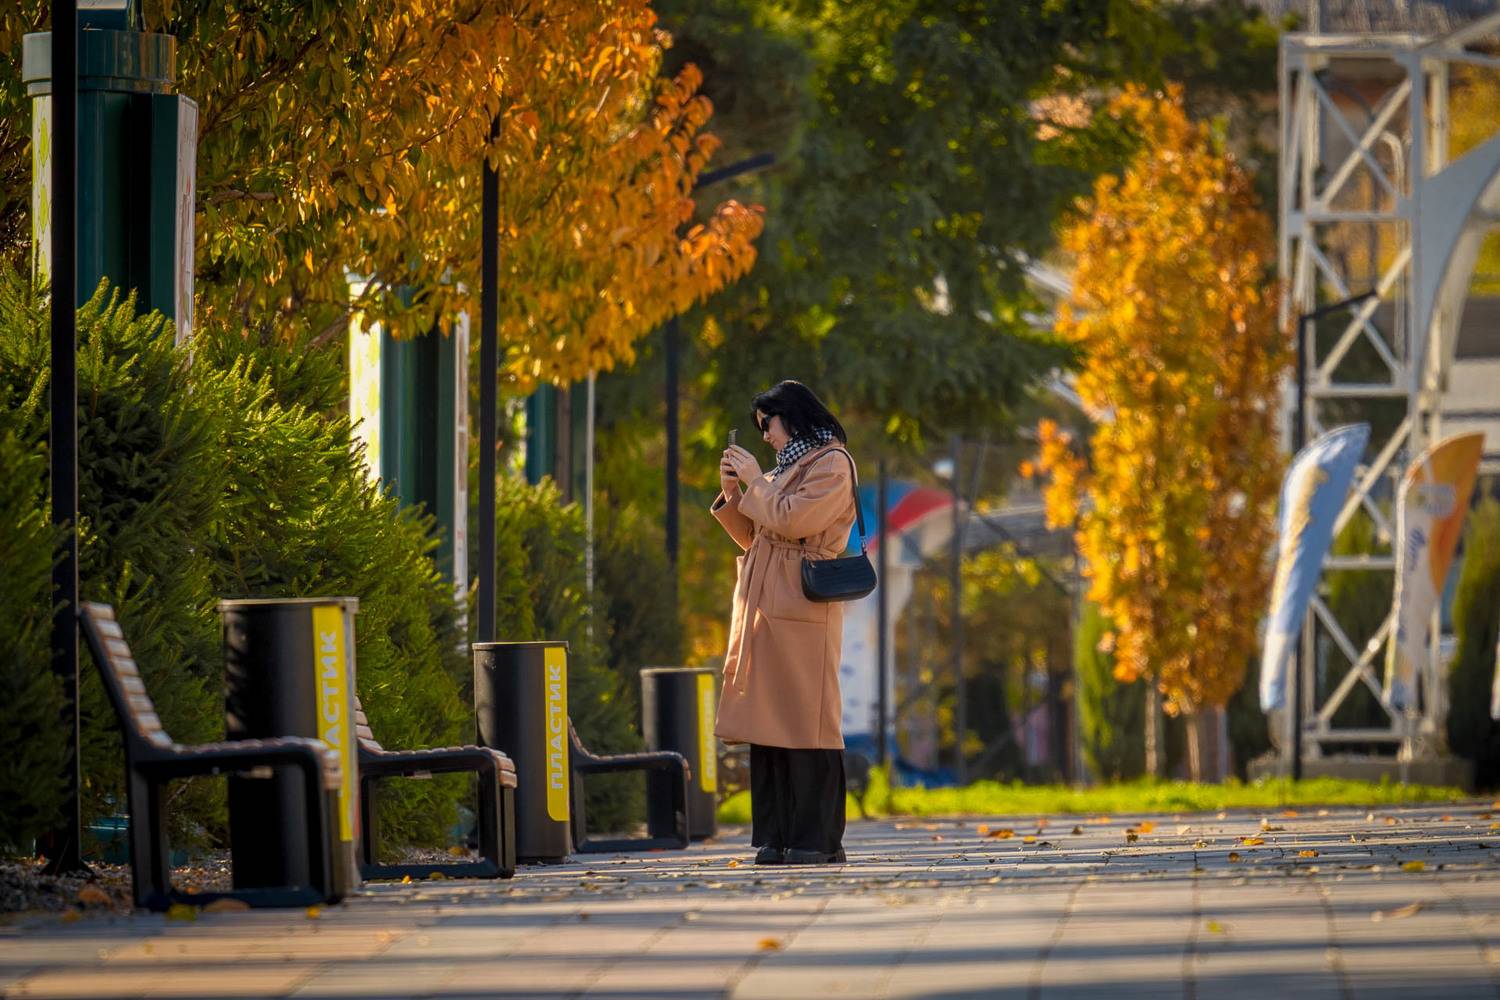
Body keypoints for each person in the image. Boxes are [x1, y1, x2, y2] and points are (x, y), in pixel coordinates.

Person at [712, 380, 858, 865]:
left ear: (791, 418)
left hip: (801, 603)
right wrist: (733, 493)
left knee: (807, 721)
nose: (766, 437)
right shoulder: (787, 467)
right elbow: (755, 536)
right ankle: (776, 836)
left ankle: (817, 840)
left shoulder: (831, 464)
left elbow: (795, 522)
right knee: (768, 721)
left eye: (768, 426)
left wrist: (755, 482)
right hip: (764, 601)